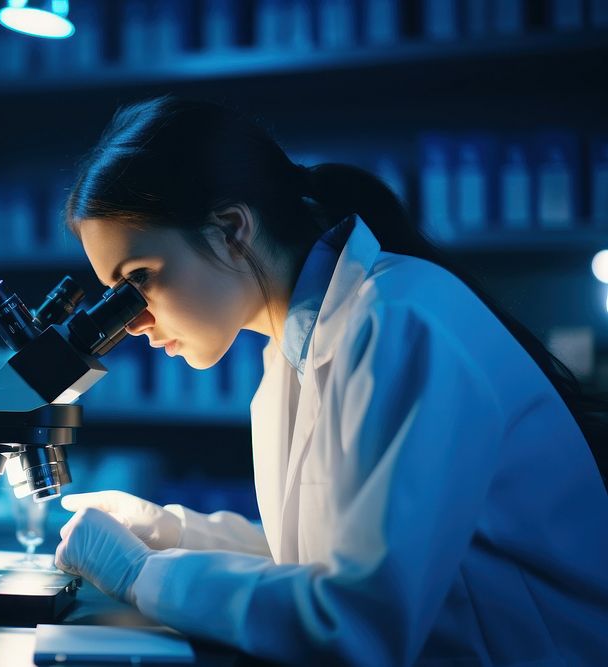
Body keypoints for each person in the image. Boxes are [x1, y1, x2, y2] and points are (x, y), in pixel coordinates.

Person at [53, 96, 608, 665]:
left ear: (230, 230)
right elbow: (317, 560)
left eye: (138, 280)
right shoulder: (289, 355)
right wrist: (167, 531)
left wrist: (140, 572)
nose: (132, 322)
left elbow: (354, 626)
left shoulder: (399, 320)